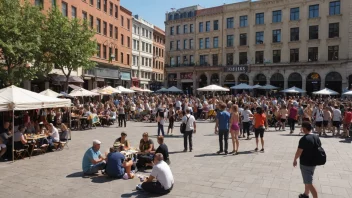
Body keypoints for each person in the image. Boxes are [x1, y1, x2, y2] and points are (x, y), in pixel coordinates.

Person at [293, 122, 319, 198]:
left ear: (304, 129)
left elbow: (299, 151)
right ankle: (306, 194)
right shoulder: (316, 137)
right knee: (307, 180)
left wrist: (295, 159)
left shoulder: (304, 139)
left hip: (306, 163)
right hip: (313, 162)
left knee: (308, 182)